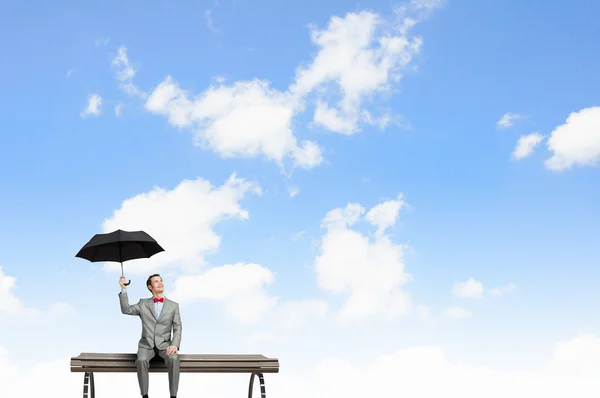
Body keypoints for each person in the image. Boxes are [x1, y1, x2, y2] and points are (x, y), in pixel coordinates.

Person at [119, 273, 182, 398]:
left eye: (161, 280)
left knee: (174, 359)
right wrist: (123, 288)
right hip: (146, 345)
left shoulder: (173, 306)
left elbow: (177, 326)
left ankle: (173, 396)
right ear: (150, 287)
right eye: (156, 281)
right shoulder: (143, 304)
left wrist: (174, 345)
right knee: (141, 360)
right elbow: (126, 309)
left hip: (165, 345)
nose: (160, 283)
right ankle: (145, 395)